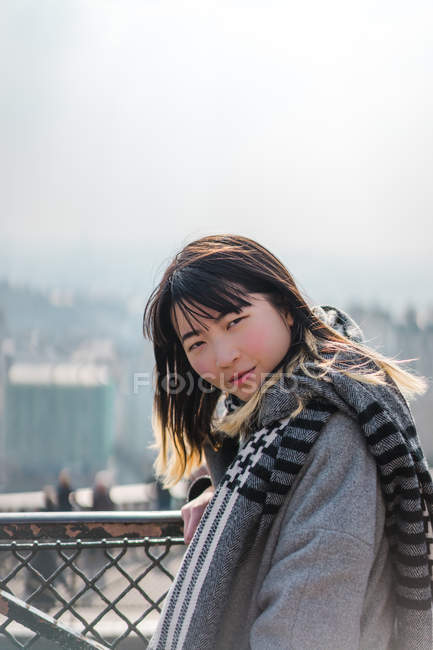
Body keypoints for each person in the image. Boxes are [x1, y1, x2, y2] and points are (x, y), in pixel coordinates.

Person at [143, 234, 433, 650]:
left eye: (234, 322)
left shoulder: (334, 436)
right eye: (198, 344)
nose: (222, 356)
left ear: (286, 308)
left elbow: (302, 628)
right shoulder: (269, 426)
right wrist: (221, 492)